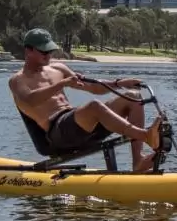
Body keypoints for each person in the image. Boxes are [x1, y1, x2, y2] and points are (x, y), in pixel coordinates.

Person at [9, 28, 164, 172]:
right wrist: (63, 83)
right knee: (94, 106)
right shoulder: (18, 80)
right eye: (44, 51)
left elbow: (93, 87)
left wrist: (119, 83)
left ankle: (138, 161)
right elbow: (31, 100)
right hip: (58, 135)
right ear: (28, 50)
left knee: (133, 97)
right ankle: (145, 135)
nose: (48, 54)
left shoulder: (58, 68)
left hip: (79, 127)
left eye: (50, 50)